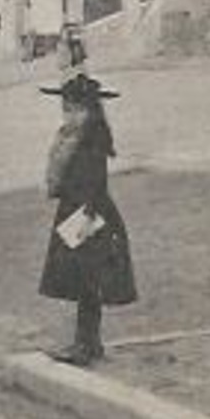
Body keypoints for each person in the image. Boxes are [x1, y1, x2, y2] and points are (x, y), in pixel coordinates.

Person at [38, 39, 136, 366]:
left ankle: (86, 344)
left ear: (81, 105)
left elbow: (93, 181)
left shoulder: (88, 134)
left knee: (85, 277)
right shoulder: (81, 132)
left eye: (69, 102)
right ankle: (88, 341)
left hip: (88, 211)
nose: (64, 108)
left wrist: (83, 219)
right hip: (81, 208)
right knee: (84, 278)